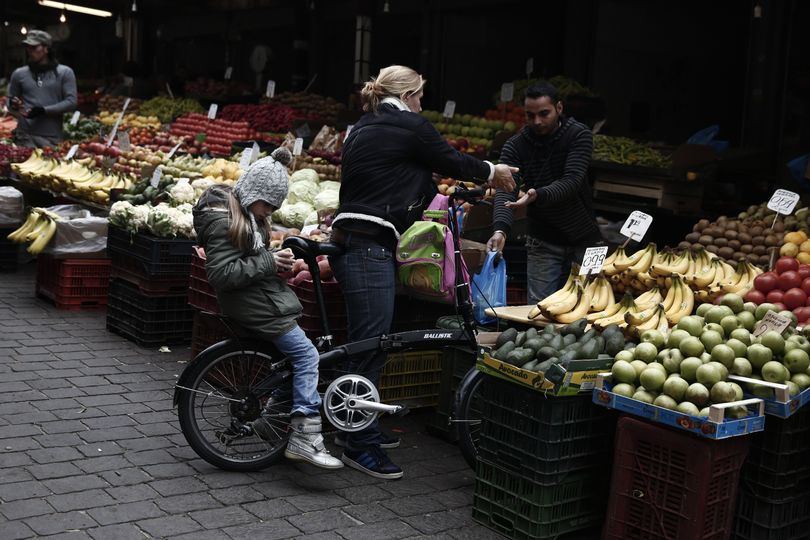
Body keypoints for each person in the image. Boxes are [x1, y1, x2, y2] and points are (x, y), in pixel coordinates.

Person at [330, 64, 517, 479]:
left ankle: (354, 427)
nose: (422, 104)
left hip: (356, 243)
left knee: (368, 346)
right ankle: (358, 445)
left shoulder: (365, 125)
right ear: (411, 94)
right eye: (421, 96)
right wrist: (493, 172)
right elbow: (448, 157)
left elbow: (399, 174)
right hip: (368, 249)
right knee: (371, 347)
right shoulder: (408, 124)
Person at [192, 147, 343, 471]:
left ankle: (272, 419)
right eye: (267, 205)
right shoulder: (227, 223)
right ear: (252, 194)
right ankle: (305, 436)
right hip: (253, 304)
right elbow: (221, 274)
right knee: (306, 355)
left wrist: (279, 264)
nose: (269, 212)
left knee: (297, 360)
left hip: (259, 298)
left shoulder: (246, 218)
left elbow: (249, 261)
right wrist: (268, 261)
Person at [486, 81, 602, 304]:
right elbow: (505, 191)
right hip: (543, 240)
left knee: (590, 307)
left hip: (585, 238)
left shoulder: (579, 135)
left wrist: (537, 195)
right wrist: (500, 230)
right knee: (540, 310)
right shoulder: (516, 145)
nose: (537, 121)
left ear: (559, 108)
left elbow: (572, 181)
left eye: (544, 113)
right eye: (530, 115)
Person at [7, 30, 77, 148]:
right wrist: (14, 105)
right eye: (28, 47)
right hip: (24, 137)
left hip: (51, 138)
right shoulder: (19, 74)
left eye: (34, 47)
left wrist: (44, 110)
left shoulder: (64, 73)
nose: (30, 51)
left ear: (47, 48)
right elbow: (9, 102)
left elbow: (71, 102)